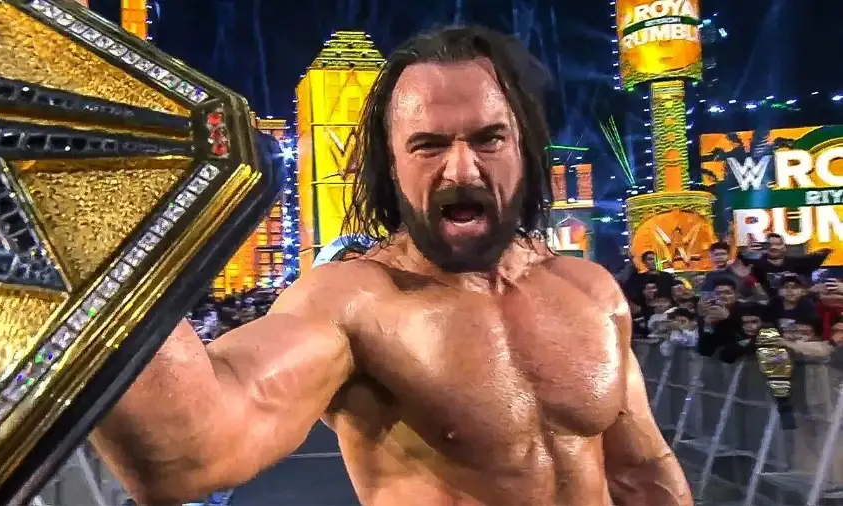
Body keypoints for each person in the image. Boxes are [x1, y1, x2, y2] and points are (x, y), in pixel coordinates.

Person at [90, 26, 690, 506]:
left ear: (523, 149)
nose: (462, 170)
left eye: (488, 139)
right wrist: (93, 232)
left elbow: (643, 472)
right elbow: (186, 455)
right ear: (392, 166)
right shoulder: (350, 305)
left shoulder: (590, 291)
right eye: (429, 145)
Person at [740, 233, 831, 297]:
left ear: (784, 247)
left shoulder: (798, 262)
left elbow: (824, 252)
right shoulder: (755, 265)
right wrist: (748, 253)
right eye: (769, 245)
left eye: (777, 244)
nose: (773, 247)